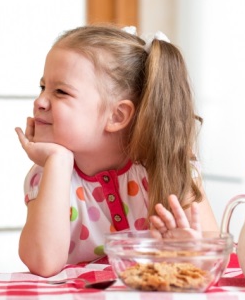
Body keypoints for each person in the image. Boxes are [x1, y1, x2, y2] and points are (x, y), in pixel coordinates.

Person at [15, 24, 218, 277]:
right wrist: (57, 161)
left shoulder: (167, 167)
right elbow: (42, 263)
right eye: (42, 87)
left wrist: (190, 251)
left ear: (117, 115)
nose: (40, 101)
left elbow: (213, 250)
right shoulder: (50, 175)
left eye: (60, 92)